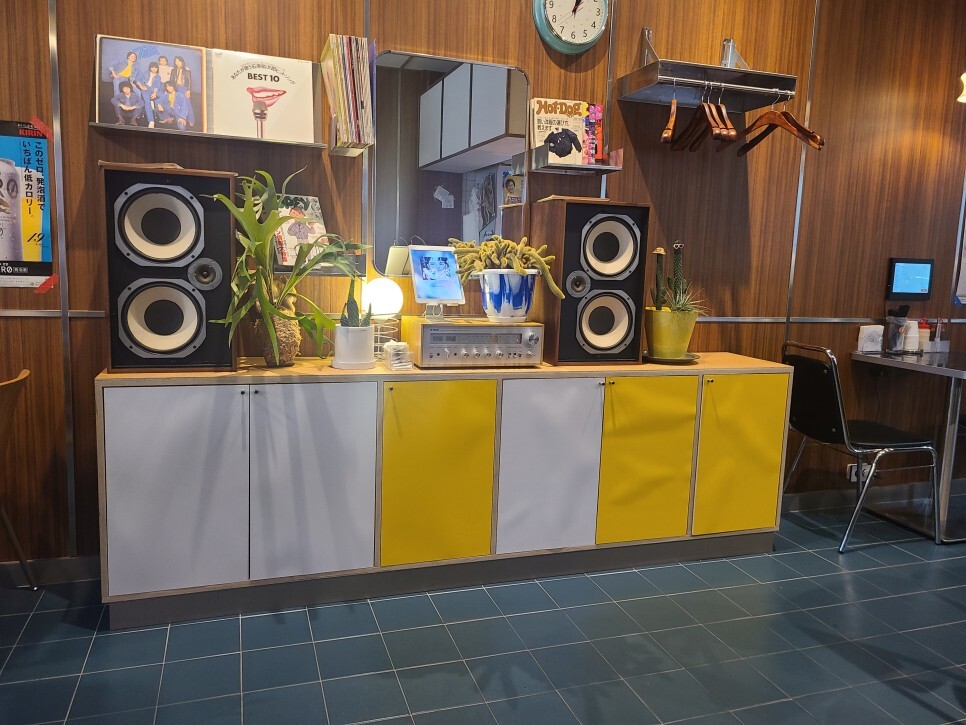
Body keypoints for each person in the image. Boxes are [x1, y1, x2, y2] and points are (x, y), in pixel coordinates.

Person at [136, 61, 164, 128]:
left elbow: (157, 86)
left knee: (163, 95)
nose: (154, 69)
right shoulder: (145, 72)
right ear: (150, 68)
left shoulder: (158, 77)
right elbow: (137, 79)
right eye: (152, 67)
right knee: (147, 102)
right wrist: (141, 87)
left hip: (153, 90)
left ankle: (163, 114)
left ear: (157, 68)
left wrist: (155, 93)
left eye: (155, 67)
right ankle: (151, 121)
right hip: (145, 89)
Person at [170, 56, 195, 127]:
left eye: (179, 61)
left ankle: (191, 119)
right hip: (176, 88)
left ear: (182, 62)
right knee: (177, 104)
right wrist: (170, 90)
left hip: (184, 88)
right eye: (176, 61)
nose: (177, 63)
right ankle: (180, 119)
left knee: (188, 104)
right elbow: (171, 81)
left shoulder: (187, 71)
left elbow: (189, 81)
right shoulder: (173, 71)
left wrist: (189, 90)